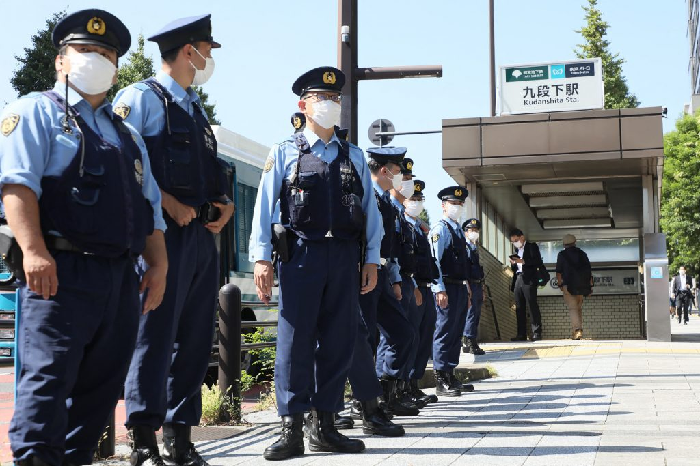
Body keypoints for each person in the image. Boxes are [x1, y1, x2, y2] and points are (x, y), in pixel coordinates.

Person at [0, 9, 168, 465]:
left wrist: (159, 265)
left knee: (99, 392)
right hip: (58, 273)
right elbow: (17, 186)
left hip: (119, 278)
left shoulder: (127, 135)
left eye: (108, 52)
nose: (99, 58)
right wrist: (33, 251)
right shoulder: (35, 111)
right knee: (47, 384)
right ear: (61, 61)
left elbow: (150, 207)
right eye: (87, 50)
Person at [114, 14, 234, 466]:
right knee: (154, 334)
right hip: (162, 237)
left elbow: (209, 173)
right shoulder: (140, 98)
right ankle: (143, 438)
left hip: (202, 237)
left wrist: (226, 204)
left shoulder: (196, 108)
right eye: (207, 49)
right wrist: (167, 204)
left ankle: (181, 438)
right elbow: (128, 164)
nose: (209, 59)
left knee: (195, 337)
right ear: (190, 51)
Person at [249, 66, 382, 461]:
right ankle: (291, 429)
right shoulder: (285, 151)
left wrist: (371, 259)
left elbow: (370, 213)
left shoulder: (354, 156)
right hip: (301, 256)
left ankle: (325, 426)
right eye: (322, 98)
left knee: (339, 341)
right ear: (303, 104)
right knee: (295, 341)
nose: (330, 105)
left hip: (343, 257)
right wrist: (261, 257)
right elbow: (264, 207)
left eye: (335, 99)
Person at [350, 147, 418, 417]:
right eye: (398, 172)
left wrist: (395, 279)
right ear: (383, 170)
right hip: (365, 273)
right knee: (365, 337)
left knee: (403, 333)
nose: (400, 178)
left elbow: (391, 247)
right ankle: (362, 400)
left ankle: (389, 392)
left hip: (384, 275)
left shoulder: (388, 204)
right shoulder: (367, 197)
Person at [430, 186, 475, 397]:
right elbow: (434, 263)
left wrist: (466, 290)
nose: (457, 207)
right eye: (453, 203)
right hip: (446, 287)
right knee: (444, 331)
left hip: (458, 287)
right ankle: (441, 378)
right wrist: (439, 289)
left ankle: (450, 373)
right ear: (443, 205)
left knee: (456, 331)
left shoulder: (457, 230)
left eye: (459, 204)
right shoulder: (440, 230)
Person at [403, 180, 439, 404]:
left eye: (419, 200)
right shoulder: (403, 224)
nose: (416, 203)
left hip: (426, 288)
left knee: (423, 339)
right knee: (410, 337)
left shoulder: (419, 227)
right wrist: (414, 286)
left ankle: (414, 383)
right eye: (412, 199)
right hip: (413, 287)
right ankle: (403, 386)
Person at [509, 228, 544, 341]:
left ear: (522, 237)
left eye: (516, 240)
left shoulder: (532, 247)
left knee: (532, 305)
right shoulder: (516, 250)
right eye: (513, 241)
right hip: (518, 278)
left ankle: (536, 332)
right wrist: (514, 263)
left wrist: (523, 261)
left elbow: (538, 261)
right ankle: (521, 334)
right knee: (519, 307)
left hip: (529, 279)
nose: (515, 242)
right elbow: (516, 268)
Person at [555, 234, 592, 340]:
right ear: (575, 242)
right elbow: (589, 271)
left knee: (573, 308)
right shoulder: (582, 254)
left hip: (568, 285)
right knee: (578, 308)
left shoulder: (562, 254)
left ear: (564, 244)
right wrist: (590, 286)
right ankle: (579, 330)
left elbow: (558, 271)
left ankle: (577, 330)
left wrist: (560, 284)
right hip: (582, 285)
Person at [461, 218, 486, 355]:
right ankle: (470, 342)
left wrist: (482, 288)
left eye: (476, 230)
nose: (474, 233)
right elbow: (465, 270)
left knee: (476, 314)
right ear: (465, 232)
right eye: (471, 230)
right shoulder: (465, 248)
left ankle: (468, 340)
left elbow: (479, 271)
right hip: (469, 284)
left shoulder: (475, 248)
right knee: (471, 314)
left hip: (477, 284)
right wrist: (468, 288)